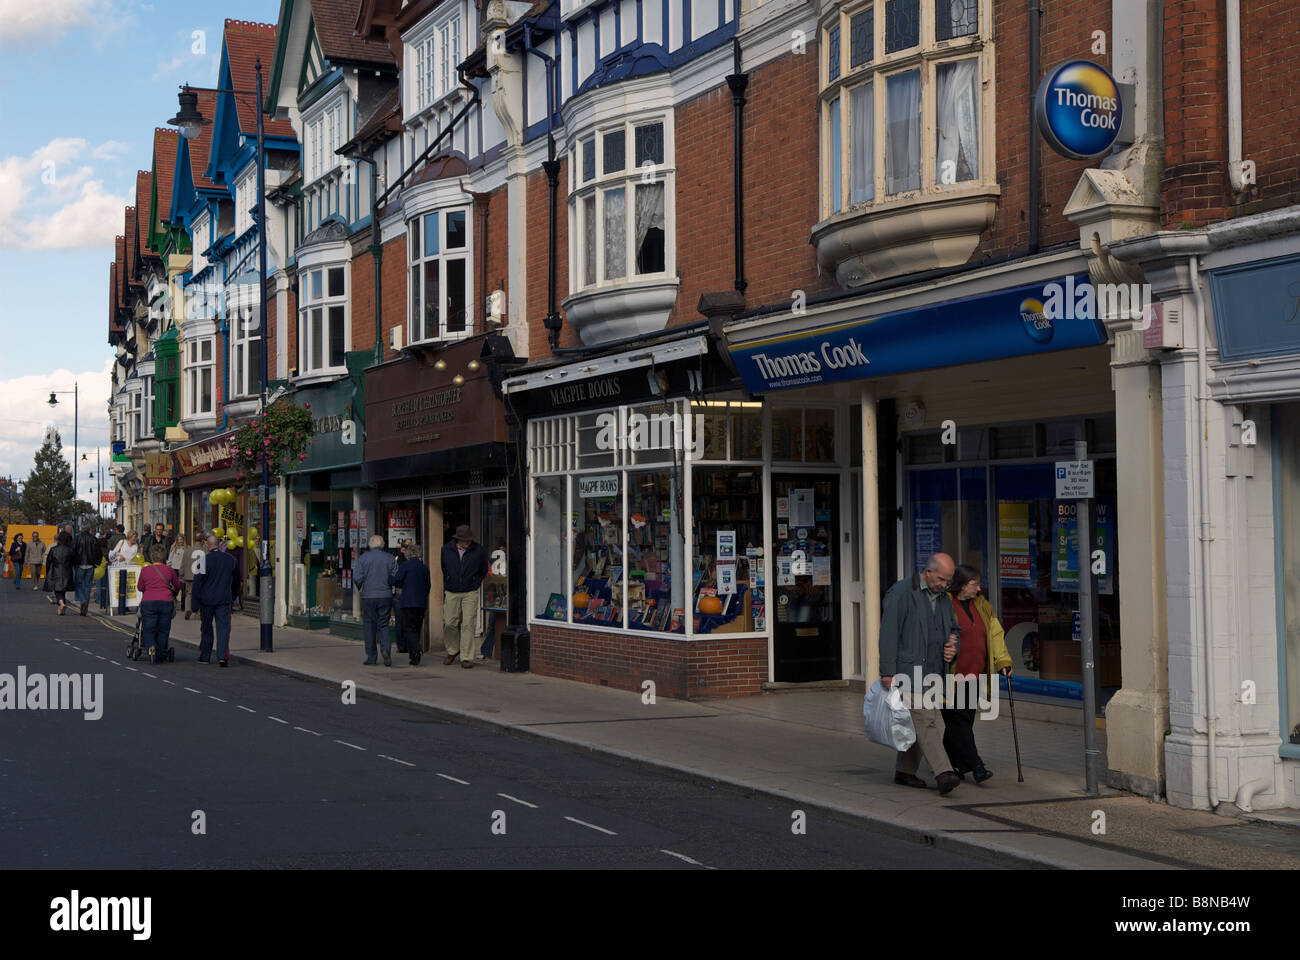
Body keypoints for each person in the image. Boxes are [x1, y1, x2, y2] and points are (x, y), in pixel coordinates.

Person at [879, 552, 963, 795]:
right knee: (926, 721)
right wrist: (888, 671)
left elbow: (954, 628)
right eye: (941, 579)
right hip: (909, 671)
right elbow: (889, 633)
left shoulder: (944, 598)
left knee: (921, 722)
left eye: (948, 581)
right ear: (928, 572)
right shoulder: (902, 593)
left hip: (935, 670)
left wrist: (952, 645)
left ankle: (905, 772)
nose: (944, 585)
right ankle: (944, 773)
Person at [944, 564, 1014, 783]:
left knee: (961, 722)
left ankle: (951, 764)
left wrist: (1002, 660)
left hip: (974, 673)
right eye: (975, 583)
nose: (978, 588)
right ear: (963, 585)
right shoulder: (945, 604)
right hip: (950, 676)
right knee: (959, 721)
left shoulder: (982, 605)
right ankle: (976, 766)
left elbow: (995, 634)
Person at [441, 525, 489, 668]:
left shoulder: (479, 550)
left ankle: (467, 657)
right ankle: (452, 650)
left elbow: (483, 570)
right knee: (449, 622)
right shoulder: (446, 549)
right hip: (451, 590)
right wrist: (449, 580)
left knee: (468, 623)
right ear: (457, 539)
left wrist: (475, 582)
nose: (467, 543)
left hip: (470, 591)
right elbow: (444, 568)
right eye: (464, 541)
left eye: (468, 540)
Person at [194, 533, 237, 666]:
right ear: (219, 545)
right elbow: (236, 580)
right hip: (224, 599)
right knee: (223, 629)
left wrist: (195, 604)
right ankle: (222, 657)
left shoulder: (203, 561)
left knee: (206, 628)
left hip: (207, 600)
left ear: (207, 545)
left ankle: (205, 656)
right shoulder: (230, 559)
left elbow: (197, 583)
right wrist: (233, 596)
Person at [353, 534, 397, 667]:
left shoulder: (363, 558)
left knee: (369, 625)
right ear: (382, 544)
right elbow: (395, 576)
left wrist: (362, 587)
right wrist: (390, 587)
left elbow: (357, 577)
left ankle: (371, 657)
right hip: (385, 595)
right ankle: (385, 650)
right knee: (384, 624)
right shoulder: (390, 558)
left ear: (370, 545)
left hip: (369, 596)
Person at [390, 543, 431, 666]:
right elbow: (428, 585)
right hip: (421, 602)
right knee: (416, 628)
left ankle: (417, 650)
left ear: (408, 554)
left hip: (408, 602)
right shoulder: (424, 568)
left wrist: (388, 579)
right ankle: (414, 657)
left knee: (409, 628)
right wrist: (423, 595)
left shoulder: (405, 566)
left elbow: (397, 580)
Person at [138, 544, 181, 662]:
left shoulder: (145, 570)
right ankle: (161, 654)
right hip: (166, 602)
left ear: (152, 556)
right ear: (164, 557)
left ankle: (151, 646)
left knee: (148, 628)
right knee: (163, 630)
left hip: (149, 602)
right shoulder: (169, 570)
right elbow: (177, 585)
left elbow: (140, 587)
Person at [71, 521, 103, 616]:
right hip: (90, 564)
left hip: (79, 564)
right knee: (88, 586)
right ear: (89, 529)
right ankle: (85, 606)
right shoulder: (93, 539)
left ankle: (83, 600)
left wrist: (73, 562)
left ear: (81, 529)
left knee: (78, 585)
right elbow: (99, 553)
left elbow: (72, 551)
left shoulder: (76, 539)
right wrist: (96, 562)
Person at [44, 531, 75, 615]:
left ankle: (61, 603)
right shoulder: (70, 550)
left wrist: (47, 572)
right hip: (67, 571)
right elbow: (73, 561)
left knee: (57, 590)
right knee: (63, 590)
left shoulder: (53, 549)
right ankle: (60, 609)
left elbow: (48, 562)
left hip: (55, 571)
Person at [182, 535, 206, 620]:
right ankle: (199, 612)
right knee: (201, 593)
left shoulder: (188, 550)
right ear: (202, 541)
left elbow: (183, 564)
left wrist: (181, 575)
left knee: (189, 593)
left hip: (189, 575)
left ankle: (188, 609)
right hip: (201, 575)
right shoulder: (205, 551)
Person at [167, 534, 188, 612]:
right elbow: (170, 559)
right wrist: (168, 567)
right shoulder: (173, 547)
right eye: (178, 540)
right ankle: (172, 602)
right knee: (175, 588)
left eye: (181, 540)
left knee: (183, 588)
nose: (180, 541)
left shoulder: (186, 548)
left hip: (183, 570)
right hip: (174, 569)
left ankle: (183, 606)